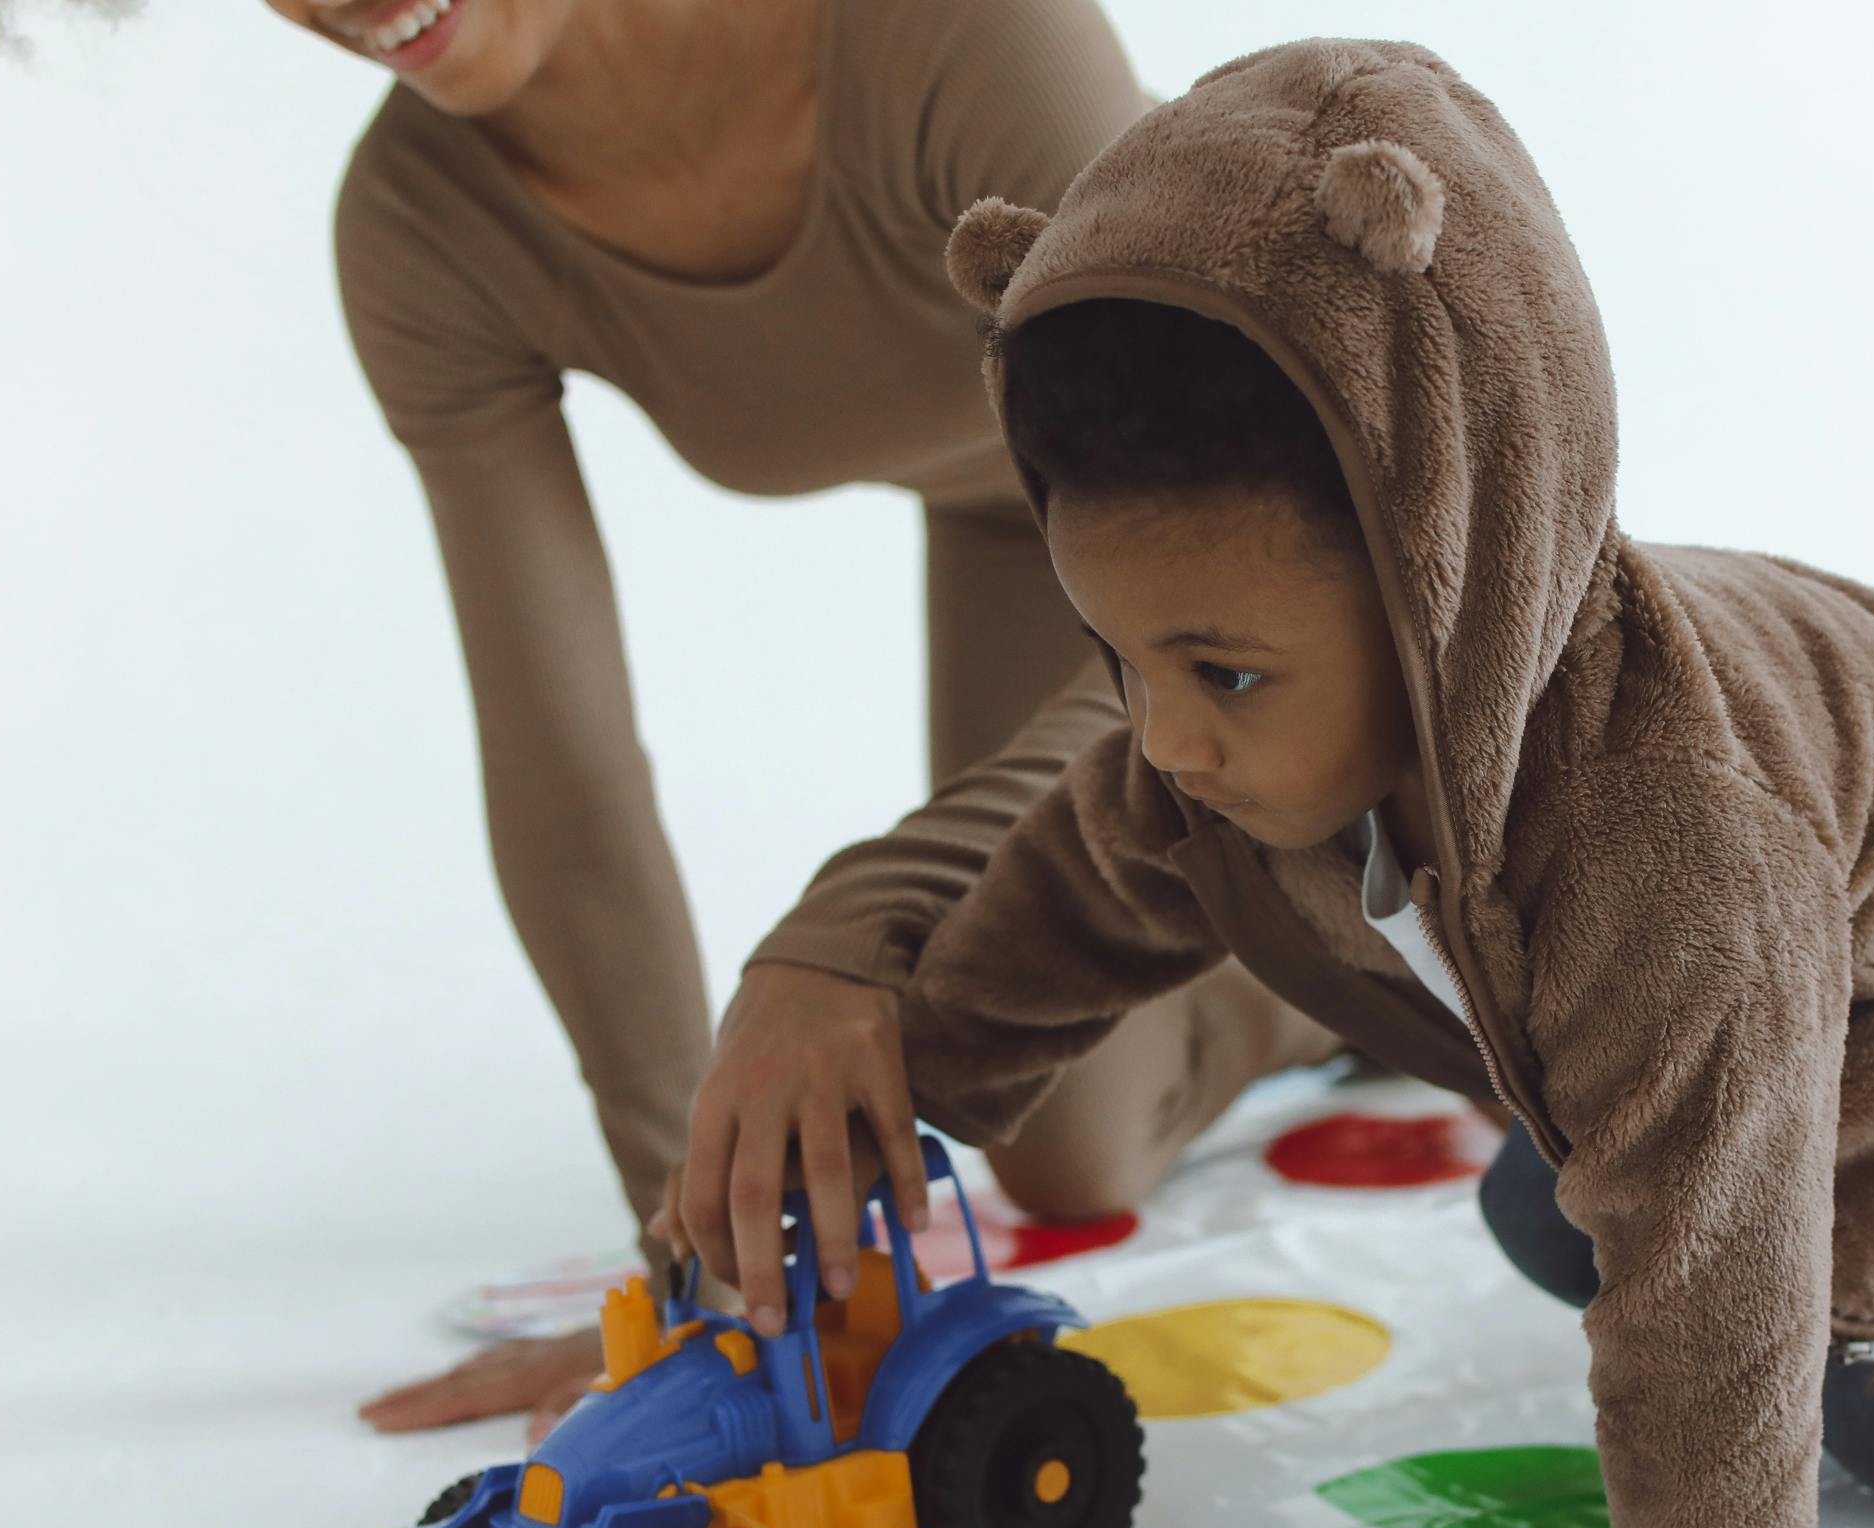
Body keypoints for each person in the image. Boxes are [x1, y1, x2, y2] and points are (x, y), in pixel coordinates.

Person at [671, 37, 1874, 1528]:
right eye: (1121, 661)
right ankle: (1656, 1199)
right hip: (1770, 989)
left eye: (1220, 673)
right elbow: (1038, 937)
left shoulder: (1671, 857)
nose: (1167, 738)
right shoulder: (1195, 760)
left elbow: (1715, 1242)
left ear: (1453, 590)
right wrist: (840, 1190)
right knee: (1581, 1215)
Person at [226, 0, 1335, 1434]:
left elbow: (1253, 567)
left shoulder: (962, 36)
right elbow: (563, 754)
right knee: (1072, 1152)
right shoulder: (420, 229)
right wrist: (703, 1260)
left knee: (1258, 801)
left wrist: (863, 920)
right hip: (1031, 525)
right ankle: (1312, 984)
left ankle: (1394, 900)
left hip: (1277, 535)